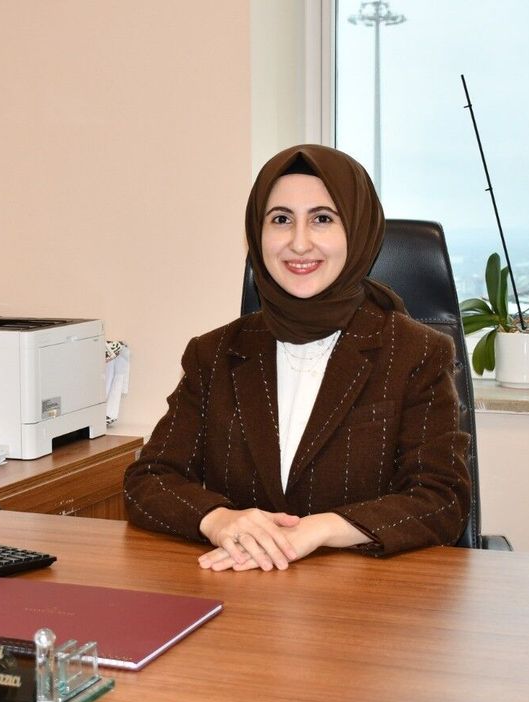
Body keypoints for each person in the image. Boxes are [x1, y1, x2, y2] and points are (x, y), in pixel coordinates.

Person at [123, 144, 471, 572]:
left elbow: (442, 499)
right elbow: (150, 479)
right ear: (258, 234)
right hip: (236, 589)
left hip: (363, 594)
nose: (299, 242)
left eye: (322, 219)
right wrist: (218, 519)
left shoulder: (415, 352)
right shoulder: (214, 354)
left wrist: (323, 528)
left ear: (357, 232)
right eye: (281, 219)